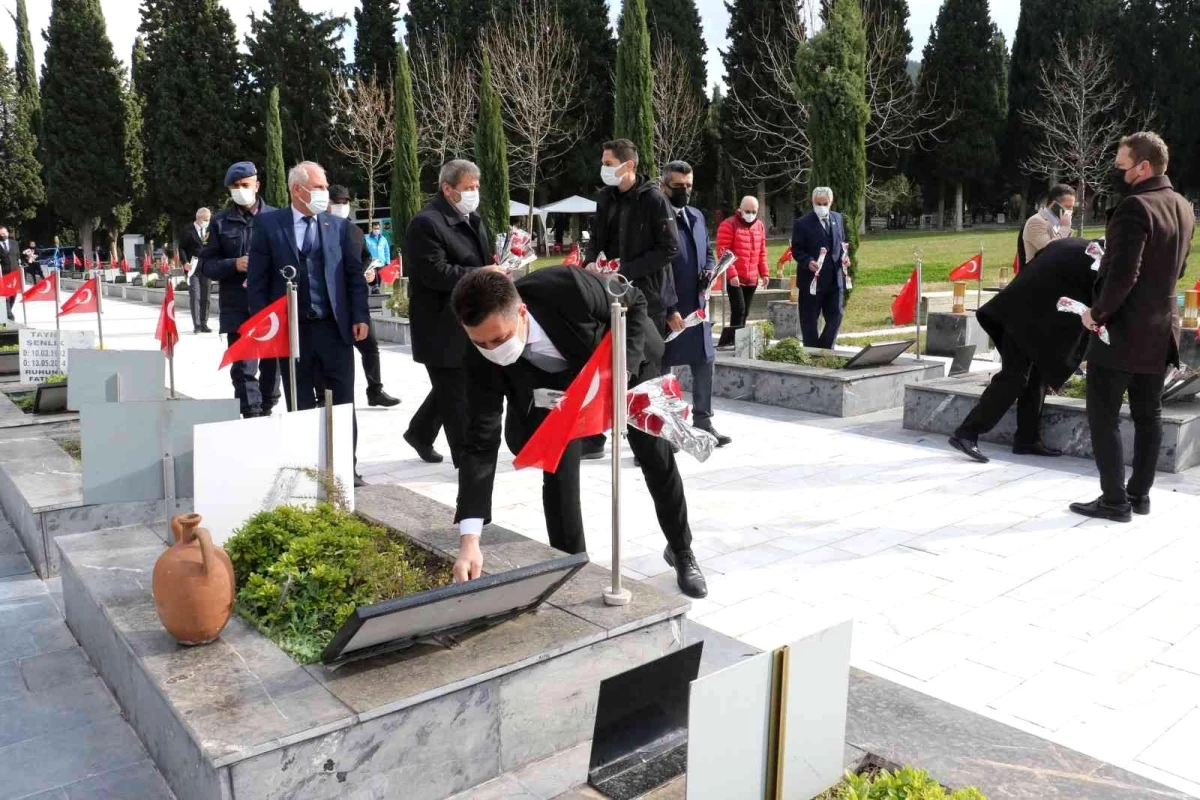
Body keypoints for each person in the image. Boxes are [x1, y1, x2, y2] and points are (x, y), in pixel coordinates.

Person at [450, 267, 708, 598]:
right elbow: (479, 441)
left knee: (655, 456)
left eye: (500, 338)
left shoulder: (567, 288)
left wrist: (623, 374)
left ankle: (681, 549)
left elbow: (635, 301)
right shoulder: (479, 354)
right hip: (554, 391)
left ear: (521, 311)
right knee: (558, 473)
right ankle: (570, 566)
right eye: (481, 342)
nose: (493, 350)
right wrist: (469, 540)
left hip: (619, 361)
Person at [1070, 132, 1195, 522]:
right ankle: (1139, 496)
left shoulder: (1134, 207)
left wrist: (1097, 313)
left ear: (1144, 166)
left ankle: (1113, 501)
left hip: (1122, 332)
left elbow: (1125, 274)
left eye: (1123, 166)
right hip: (1161, 331)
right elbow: (1179, 268)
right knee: (1148, 415)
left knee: (1103, 415)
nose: (1119, 173)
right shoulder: (1184, 208)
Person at [948, 238, 1099, 463]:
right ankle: (966, 433)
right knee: (1015, 377)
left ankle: (1027, 440)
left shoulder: (1073, 245)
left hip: (1024, 312)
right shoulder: (1101, 262)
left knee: (1038, 375)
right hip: (1024, 317)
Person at [248, 160, 369, 427]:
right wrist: (264, 325)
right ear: (297, 190)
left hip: (334, 329)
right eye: (318, 187)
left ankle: (347, 465)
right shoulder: (269, 225)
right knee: (300, 403)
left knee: (342, 403)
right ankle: (308, 466)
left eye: (325, 186)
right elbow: (258, 280)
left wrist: (360, 316)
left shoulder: (338, 227)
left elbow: (353, 276)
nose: (324, 193)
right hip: (293, 331)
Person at [582, 138, 681, 458]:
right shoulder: (605, 199)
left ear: (629, 166)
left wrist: (625, 270)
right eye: (604, 164)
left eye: (609, 164)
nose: (604, 169)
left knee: (642, 369)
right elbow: (597, 239)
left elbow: (669, 249)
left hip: (645, 297)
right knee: (603, 364)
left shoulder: (653, 200)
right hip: (607, 295)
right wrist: (589, 263)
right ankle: (595, 436)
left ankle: (647, 442)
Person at [403, 159, 492, 467]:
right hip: (440, 325)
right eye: (468, 188)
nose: (474, 193)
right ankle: (466, 462)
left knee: (453, 385)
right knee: (456, 396)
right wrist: (481, 273)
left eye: (476, 187)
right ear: (447, 188)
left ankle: (420, 432)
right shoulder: (426, 223)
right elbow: (435, 273)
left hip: (470, 319)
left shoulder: (473, 218)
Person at [200, 161, 281, 418]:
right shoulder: (221, 222)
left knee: (273, 366)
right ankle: (251, 414)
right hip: (237, 306)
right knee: (244, 368)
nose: (240, 190)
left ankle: (267, 407)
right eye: (235, 186)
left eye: (245, 185)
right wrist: (235, 264)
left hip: (270, 306)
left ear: (257, 185)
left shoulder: (277, 218)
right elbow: (206, 265)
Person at [660, 161, 731, 447]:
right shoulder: (657, 218)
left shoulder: (696, 216)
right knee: (664, 371)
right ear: (664, 186)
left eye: (689, 186)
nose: (685, 191)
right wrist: (667, 308)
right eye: (678, 186)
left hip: (697, 307)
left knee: (705, 362)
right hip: (670, 309)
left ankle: (703, 420)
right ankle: (664, 430)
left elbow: (708, 251)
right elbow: (655, 269)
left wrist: (709, 270)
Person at [327, 184, 399, 408]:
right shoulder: (321, 230)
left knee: (370, 347)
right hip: (331, 304)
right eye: (336, 202)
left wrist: (369, 273)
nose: (341, 206)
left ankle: (375, 390)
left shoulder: (355, 232)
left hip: (356, 303)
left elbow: (366, 258)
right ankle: (329, 396)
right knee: (336, 356)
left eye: (345, 202)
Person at [791, 187, 847, 348]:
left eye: (825, 203)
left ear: (831, 202)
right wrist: (808, 261)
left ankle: (825, 349)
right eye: (818, 203)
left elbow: (841, 244)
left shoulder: (838, 218)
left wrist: (845, 258)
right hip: (811, 282)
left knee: (836, 315)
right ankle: (811, 351)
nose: (821, 206)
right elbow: (796, 250)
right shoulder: (802, 223)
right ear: (812, 202)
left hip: (834, 280)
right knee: (809, 320)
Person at [715, 196, 769, 349]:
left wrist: (764, 273)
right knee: (738, 308)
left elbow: (762, 252)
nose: (750, 214)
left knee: (745, 311)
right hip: (735, 276)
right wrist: (732, 274)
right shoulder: (729, 225)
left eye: (754, 211)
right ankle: (731, 340)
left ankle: (739, 341)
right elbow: (723, 251)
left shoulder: (759, 226)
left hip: (751, 276)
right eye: (747, 211)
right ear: (740, 209)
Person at [1019, 184, 1075, 269]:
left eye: (1072, 207)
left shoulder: (1060, 222)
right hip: (1038, 275)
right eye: (1067, 207)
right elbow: (1049, 250)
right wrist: (1065, 228)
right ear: (1054, 204)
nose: (1070, 211)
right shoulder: (1036, 221)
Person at [179, 208, 213, 333]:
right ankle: (197, 325)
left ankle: (204, 323)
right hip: (192, 267)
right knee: (195, 296)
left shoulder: (210, 230)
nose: (208, 222)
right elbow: (181, 248)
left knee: (206, 297)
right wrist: (185, 262)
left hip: (206, 267)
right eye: (206, 220)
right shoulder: (187, 231)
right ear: (199, 218)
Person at [0, 227, 18, 320]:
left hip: (15, 273)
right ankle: (9, 314)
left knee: (14, 294)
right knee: (6, 295)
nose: (3, 235)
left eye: (4, 233)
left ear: (7, 233)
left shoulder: (14, 243)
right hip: (5, 274)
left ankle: (8, 311)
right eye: (1, 234)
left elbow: (18, 257)